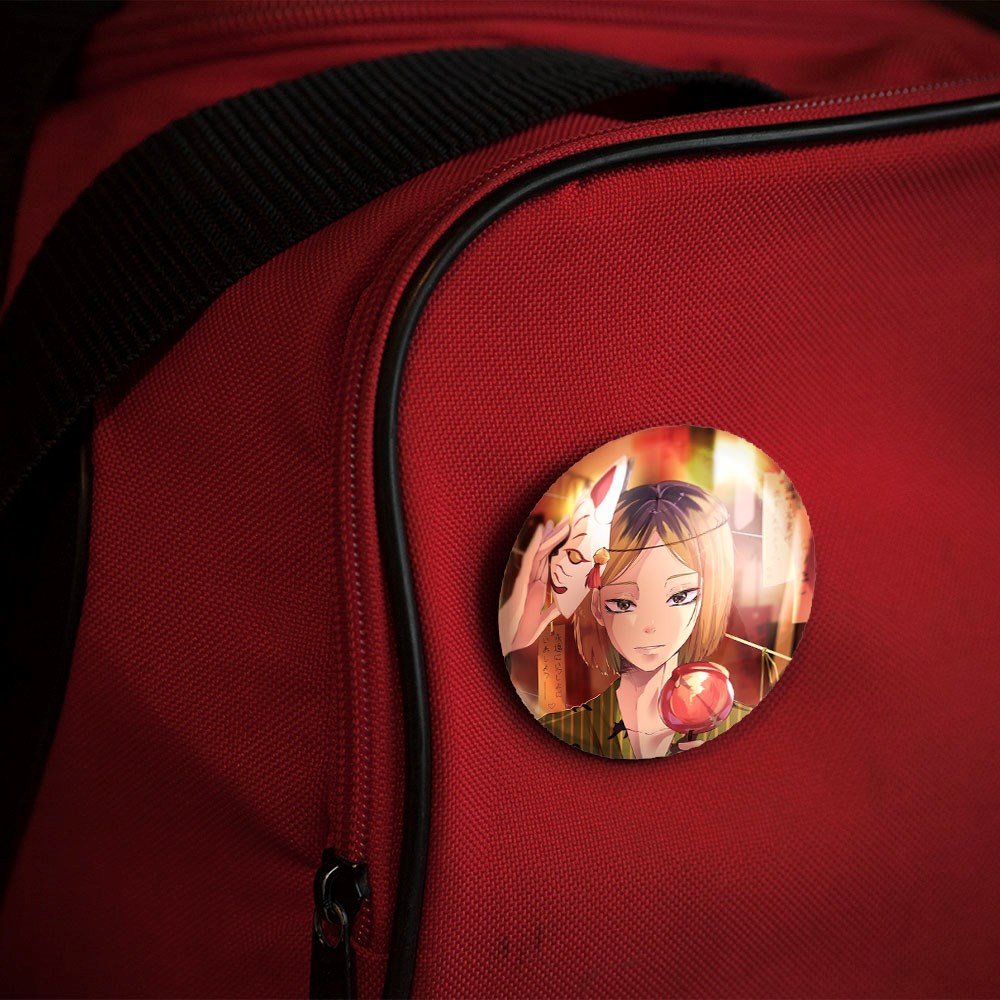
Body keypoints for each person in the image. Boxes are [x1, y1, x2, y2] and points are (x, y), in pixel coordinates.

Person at [527, 480, 752, 759]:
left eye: (680, 597)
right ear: (597, 606)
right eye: (623, 603)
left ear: (707, 596)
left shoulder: (741, 730)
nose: (650, 625)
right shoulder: (564, 731)